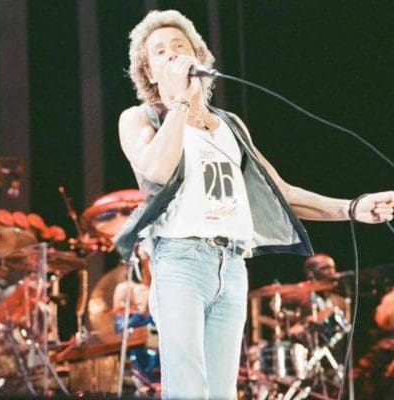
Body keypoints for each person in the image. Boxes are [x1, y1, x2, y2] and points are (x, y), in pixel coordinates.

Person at [113, 9, 394, 399]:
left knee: (222, 392)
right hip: (179, 261)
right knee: (187, 389)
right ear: (149, 72)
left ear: (199, 57)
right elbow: (158, 168)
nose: (173, 53)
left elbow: (282, 192)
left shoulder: (230, 126)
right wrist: (179, 103)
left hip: (231, 265)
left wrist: (351, 207)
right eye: (160, 52)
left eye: (180, 45)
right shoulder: (139, 119)